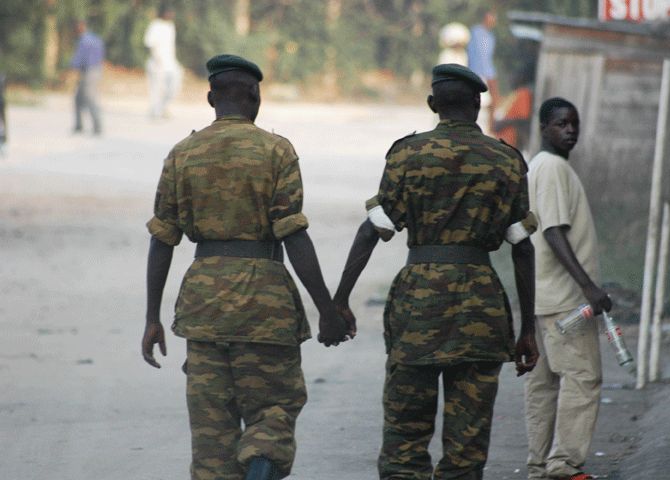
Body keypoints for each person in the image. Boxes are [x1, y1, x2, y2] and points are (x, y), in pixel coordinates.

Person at [141, 54, 350, 480]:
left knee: (211, 432)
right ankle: (261, 459)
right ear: (255, 97)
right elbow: (293, 234)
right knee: (273, 407)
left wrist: (151, 318)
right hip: (265, 305)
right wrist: (326, 309)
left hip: (203, 307)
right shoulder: (276, 151)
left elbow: (162, 239)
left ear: (210, 97)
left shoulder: (182, 153)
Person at [333, 64, 539, 480]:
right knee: (467, 447)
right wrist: (527, 328)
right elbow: (522, 246)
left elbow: (373, 230)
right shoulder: (506, 161)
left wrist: (339, 300)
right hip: (481, 311)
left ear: (432, 104)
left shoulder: (407, 155)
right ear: (479, 106)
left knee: (404, 439)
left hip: (417, 310)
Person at [523, 97, 613, 480]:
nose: (570, 130)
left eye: (574, 123)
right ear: (544, 128)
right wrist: (588, 286)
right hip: (566, 302)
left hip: (546, 299)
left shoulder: (540, 167)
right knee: (582, 376)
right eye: (561, 124)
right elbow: (553, 231)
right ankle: (563, 465)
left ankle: (539, 464)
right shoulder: (553, 168)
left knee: (544, 384)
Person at [143, 5, 183, 119]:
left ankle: (163, 107)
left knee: (174, 87)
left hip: (171, 62)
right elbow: (150, 43)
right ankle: (155, 112)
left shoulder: (171, 26)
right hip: (157, 62)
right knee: (156, 89)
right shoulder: (155, 25)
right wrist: (157, 58)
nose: (171, 15)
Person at [467, 8, 500, 133]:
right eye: (492, 18)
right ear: (486, 18)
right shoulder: (476, 32)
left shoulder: (491, 37)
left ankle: (490, 129)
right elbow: (477, 55)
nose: (493, 22)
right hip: (477, 71)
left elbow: (488, 57)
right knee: (474, 101)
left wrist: (491, 74)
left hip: (489, 72)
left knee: (495, 100)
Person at [70, 20, 104, 135]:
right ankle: (79, 125)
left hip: (89, 72)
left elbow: (78, 59)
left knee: (90, 98)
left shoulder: (84, 41)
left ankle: (97, 127)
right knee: (78, 99)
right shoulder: (95, 39)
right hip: (96, 70)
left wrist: (69, 68)